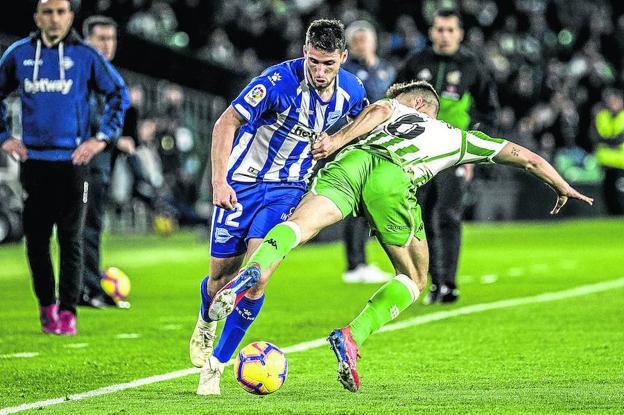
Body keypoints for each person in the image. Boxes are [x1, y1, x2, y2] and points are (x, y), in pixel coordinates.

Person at [206, 80, 593, 392]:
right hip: (392, 180)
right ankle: (352, 335)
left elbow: (380, 109)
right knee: (415, 277)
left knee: (300, 227)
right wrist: (561, 185)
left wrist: (340, 142)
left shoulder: (394, 106)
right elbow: (524, 156)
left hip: (349, 165)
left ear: (419, 102)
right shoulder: (455, 137)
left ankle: (254, 270)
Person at [189, 19, 368, 395]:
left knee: (259, 275)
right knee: (221, 278)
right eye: (314, 61)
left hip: (288, 190)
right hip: (241, 185)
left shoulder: (352, 90)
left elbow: (364, 122)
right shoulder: (276, 82)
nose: (320, 72)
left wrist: (335, 141)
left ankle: (216, 364)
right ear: (305, 51)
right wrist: (219, 181)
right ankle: (206, 319)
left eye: (328, 64)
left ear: (343, 58)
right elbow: (226, 123)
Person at [0, 0, 128, 335]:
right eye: (47, 12)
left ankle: (69, 311)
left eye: (60, 12)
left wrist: (100, 139)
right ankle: (47, 306)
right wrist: (4, 137)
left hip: (73, 163)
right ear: (37, 17)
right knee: (36, 243)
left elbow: (118, 94)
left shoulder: (85, 57)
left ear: (70, 17)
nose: (54, 18)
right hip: (34, 163)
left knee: (71, 240)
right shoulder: (18, 54)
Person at [396, 9, 500, 304]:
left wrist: (472, 153)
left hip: (453, 152)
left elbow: (489, 111)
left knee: (448, 216)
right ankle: (432, 282)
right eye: (439, 29)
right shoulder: (415, 63)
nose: (444, 35)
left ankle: (449, 284)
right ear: (431, 32)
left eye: (450, 30)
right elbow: (393, 102)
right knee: (420, 217)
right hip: (417, 153)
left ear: (460, 33)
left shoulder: (472, 67)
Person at [79, 15, 134, 308]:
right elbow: (86, 118)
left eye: (111, 39)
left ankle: (86, 285)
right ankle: (86, 289)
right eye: (100, 38)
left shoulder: (107, 75)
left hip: (101, 163)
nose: (106, 45)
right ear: (86, 40)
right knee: (84, 226)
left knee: (90, 225)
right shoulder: (85, 74)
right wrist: (113, 139)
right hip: (85, 162)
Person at [339, 20, 395, 284]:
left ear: (373, 41)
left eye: (365, 39)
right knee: (357, 204)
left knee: (370, 202)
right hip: (356, 141)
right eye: (356, 40)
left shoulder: (387, 69)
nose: (361, 44)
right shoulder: (345, 72)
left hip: (383, 142)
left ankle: (361, 262)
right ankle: (355, 264)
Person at [593, 87, 624, 215]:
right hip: (606, 162)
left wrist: (607, 140)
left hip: (621, 161)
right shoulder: (602, 116)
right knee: (608, 192)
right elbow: (595, 136)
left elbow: (617, 138)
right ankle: (612, 215)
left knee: (620, 191)